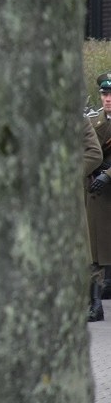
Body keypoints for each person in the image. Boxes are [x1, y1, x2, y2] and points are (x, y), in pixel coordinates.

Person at [87, 72, 111, 321]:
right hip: (99, 194)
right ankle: (95, 305)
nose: (108, 98)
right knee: (95, 252)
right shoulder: (93, 122)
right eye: (105, 94)